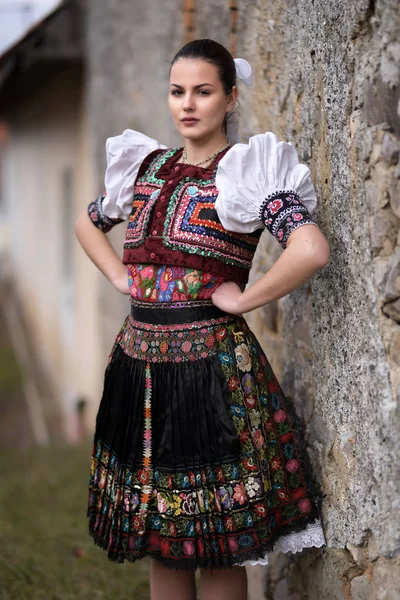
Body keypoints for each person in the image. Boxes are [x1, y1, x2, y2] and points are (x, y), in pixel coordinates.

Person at [75, 38, 330, 600]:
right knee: (162, 537)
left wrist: (245, 299)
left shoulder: (245, 174)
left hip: (210, 375)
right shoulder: (144, 168)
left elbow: (310, 248)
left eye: (203, 92)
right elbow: (88, 223)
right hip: (138, 368)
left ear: (230, 97)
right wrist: (122, 280)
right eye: (177, 92)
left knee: (214, 541)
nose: (188, 104)